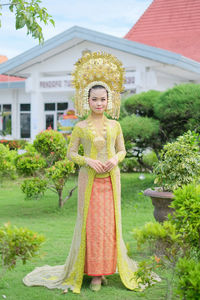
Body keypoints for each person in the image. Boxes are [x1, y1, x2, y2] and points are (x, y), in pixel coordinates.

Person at [23, 52, 160, 294]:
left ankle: (106, 269)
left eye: (103, 99)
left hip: (111, 179)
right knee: (92, 225)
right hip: (89, 181)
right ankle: (93, 273)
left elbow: (123, 150)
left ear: (109, 100)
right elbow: (70, 154)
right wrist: (88, 161)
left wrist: (114, 160)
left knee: (109, 225)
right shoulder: (80, 126)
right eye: (94, 99)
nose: (99, 103)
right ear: (87, 101)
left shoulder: (115, 125)